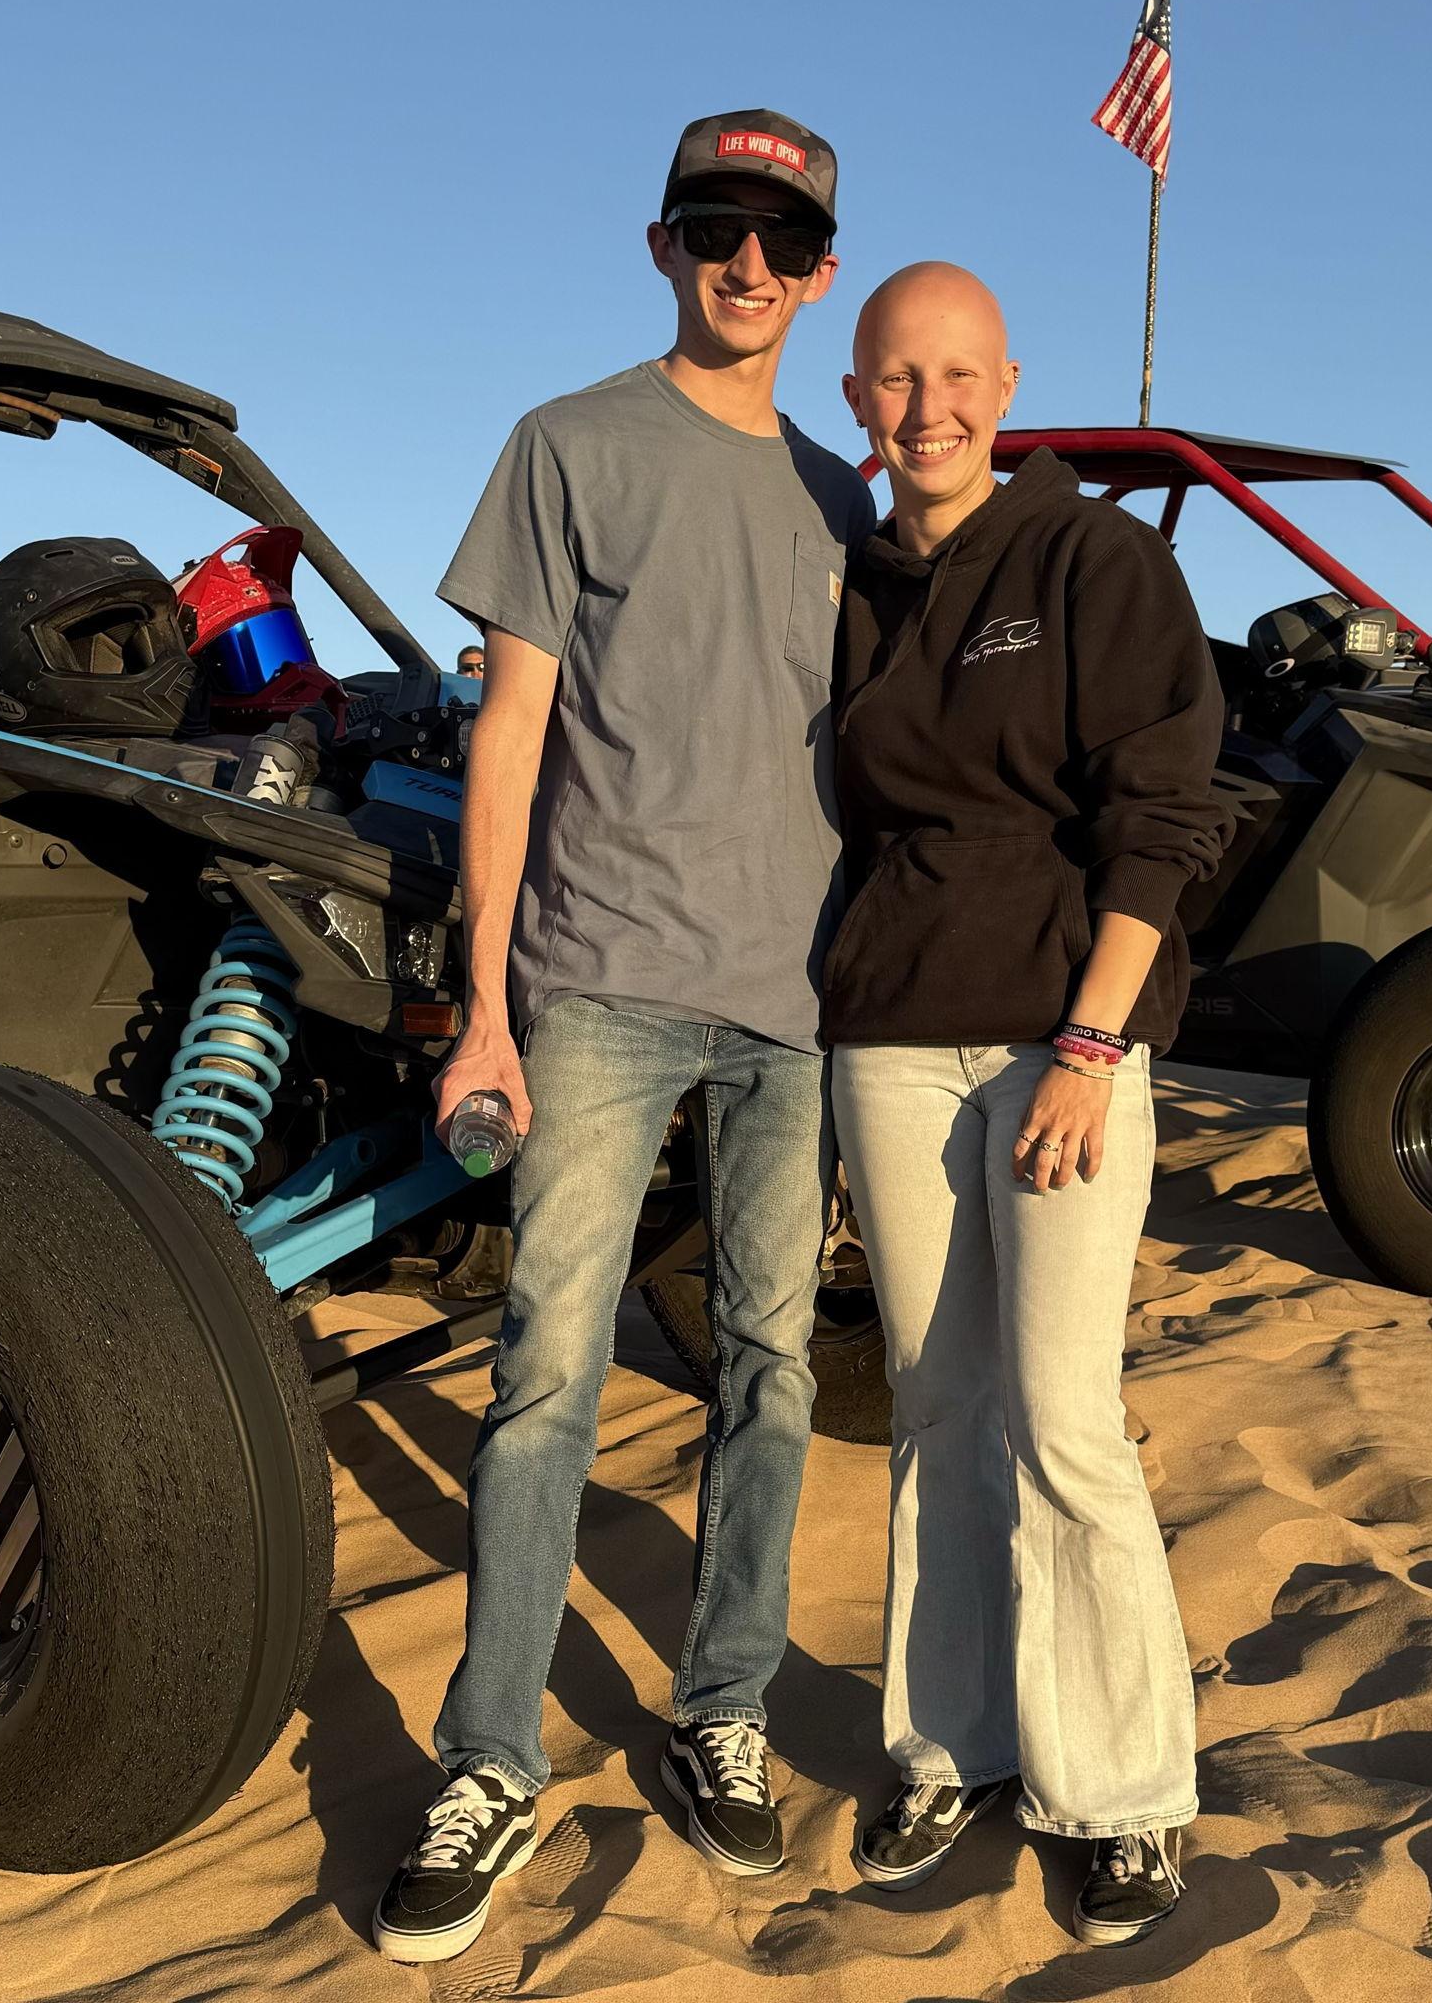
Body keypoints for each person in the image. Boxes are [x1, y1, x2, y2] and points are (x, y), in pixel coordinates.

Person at [372, 109, 874, 1965]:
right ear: (661, 243)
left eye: (783, 240)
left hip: (796, 1010)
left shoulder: (846, 503)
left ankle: (717, 1709)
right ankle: (487, 1759)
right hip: (593, 985)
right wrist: (484, 1005)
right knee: (546, 1377)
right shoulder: (568, 444)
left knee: (770, 1371)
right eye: (715, 227)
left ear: (820, 273)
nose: (748, 263)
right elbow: (507, 737)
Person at [825, 264, 1233, 1948]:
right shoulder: (853, 583)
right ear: (857, 398)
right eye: (893, 377)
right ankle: (951, 1747)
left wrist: (1087, 1044)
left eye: (954, 376)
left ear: (1003, 388)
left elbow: (1165, 812)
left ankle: (1120, 1794)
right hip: (888, 1039)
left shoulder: (1089, 559)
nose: (925, 409)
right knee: (936, 1405)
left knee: (1063, 1418)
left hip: (1058, 1045)